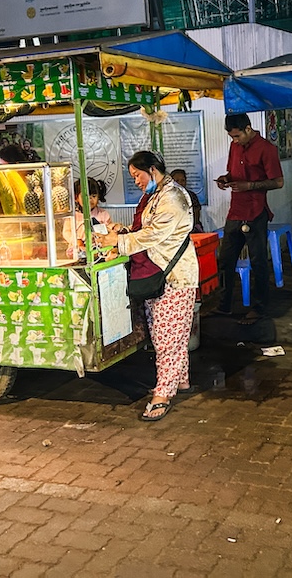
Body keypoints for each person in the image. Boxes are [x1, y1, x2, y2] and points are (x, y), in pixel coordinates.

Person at [95, 151, 198, 422]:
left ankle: (163, 394)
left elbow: (154, 234)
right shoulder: (154, 195)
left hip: (173, 275)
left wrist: (117, 242)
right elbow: (144, 227)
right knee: (169, 333)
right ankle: (180, 380)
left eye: (137, 175)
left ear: (152, 170)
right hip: (157, 272)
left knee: (167, 338)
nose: (137, 182)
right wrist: (123, 231)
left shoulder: (173, 197)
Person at [215, 113, 284, 326]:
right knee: (225, 261)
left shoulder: (266, 149)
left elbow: (278, 182)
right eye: (231, 137)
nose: (234, 141)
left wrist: (250, 186)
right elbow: (233, 173)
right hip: (235, 211)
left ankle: (259, 308)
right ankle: (223, 305)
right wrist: (225, 179)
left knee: (258, 262)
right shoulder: (235, 147)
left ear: (248, 128)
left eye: (237, 136)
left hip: (255, 212)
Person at [170, 168, 203, 232]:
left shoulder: (191, 195)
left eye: (183, 180)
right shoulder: (167, 196)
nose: (180, 183)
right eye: (177, 180)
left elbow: (196, 215)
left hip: (190, 227)